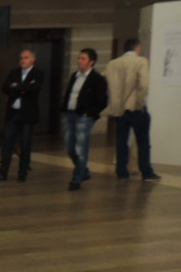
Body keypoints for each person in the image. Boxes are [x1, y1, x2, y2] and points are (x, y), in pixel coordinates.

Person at [107, 39, 160, 181]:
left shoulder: (113, 64)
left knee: (121, 141)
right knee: (143, 141)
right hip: (135, 107)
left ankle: (121, 171)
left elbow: (107, 84)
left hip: (118, 109)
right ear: (138, 48)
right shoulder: (141, 61)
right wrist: (140, 103)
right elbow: (144, 85)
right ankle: (146, 172)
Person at [0, 48, 44, 183]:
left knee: (25, 144)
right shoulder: (14, 72)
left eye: (26, 58)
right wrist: (23, 87)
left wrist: (16, 86)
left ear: (33, 59)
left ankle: (22, 173)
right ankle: (3, 172)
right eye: (21, 58)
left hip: (27, 114)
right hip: (13, 113)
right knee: (7, 143)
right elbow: (5, 88)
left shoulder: (38, 73)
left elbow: (33, 89)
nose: (22, 60)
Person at [62, 48, 108, 191]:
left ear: (91, 62)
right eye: (79, 58)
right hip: (71, 114)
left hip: (84, 117)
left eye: (83, 59)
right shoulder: (75, 76)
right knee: (69, 147)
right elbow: (70, 94)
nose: (79, 61)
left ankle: (77, 178)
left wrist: (89, 113)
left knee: (81, 147)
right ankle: (84, 170)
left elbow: (102, 101)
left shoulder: (98, 79)